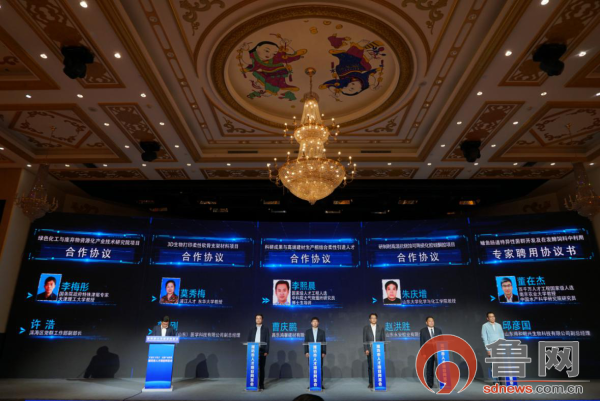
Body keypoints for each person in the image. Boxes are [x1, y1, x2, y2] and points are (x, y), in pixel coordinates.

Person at [363, 313, 386, 389]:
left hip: (379, 350)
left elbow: (383, 339)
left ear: (376, 319)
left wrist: (383, 350)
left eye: (375, 318)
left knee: (379, 367)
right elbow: (364, 339)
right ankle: (371, 383)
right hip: (370, 349)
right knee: (370, 366)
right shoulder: (366, 328)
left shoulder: (381, 327)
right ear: (369, 319)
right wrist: (366, 349)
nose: (373, 319)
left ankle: (379, 382)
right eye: (372, 318)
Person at [247, 314, 270, 390]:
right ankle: (252, 384)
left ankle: (261, 385)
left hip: (262, 350)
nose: (258, 320)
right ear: (255, 319)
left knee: (261, 368)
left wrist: (266, 350)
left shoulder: (265, 329)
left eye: (260, 318)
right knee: (252, 368)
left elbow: (267, 340)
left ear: (262, 319)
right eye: (257, 318)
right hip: (253, 350)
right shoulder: (251, 329)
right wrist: (249, 349)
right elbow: (249, 340)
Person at [482, 312, 505, 385]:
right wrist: (487, 349)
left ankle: (501, 381)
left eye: (493, 316)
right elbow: (484, 338)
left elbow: (502, 336)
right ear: (487, 318)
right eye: (490, 317)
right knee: (494, 364)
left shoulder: (499, 325)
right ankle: (495, 381)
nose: (492, 318)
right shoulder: (485, 326)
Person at [419, 316, 443, 389]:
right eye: (430, 321)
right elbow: (422, 342)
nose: (431, 322)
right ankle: (430, 384)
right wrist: (423, 353)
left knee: (439, 368)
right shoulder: (423, 331)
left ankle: (441, 383)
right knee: (429, 368)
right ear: (426, 322)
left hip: (437, 352)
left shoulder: (438, 330)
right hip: (428, 352)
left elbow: (441, 341)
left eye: (432, 321)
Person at [304, 317, 327, 389]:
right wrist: (306, 352)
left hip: (319, 352)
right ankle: (311, 384)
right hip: (311, 352)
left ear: (318, 323)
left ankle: (320, 384)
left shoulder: (322, 332)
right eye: (313, 321)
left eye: (316, 321)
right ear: (311, 323)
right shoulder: (308, 332)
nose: (315, 323)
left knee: (319, 368)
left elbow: (324, 342)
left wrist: (323, 352)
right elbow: (306, 342)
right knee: (311, 367)